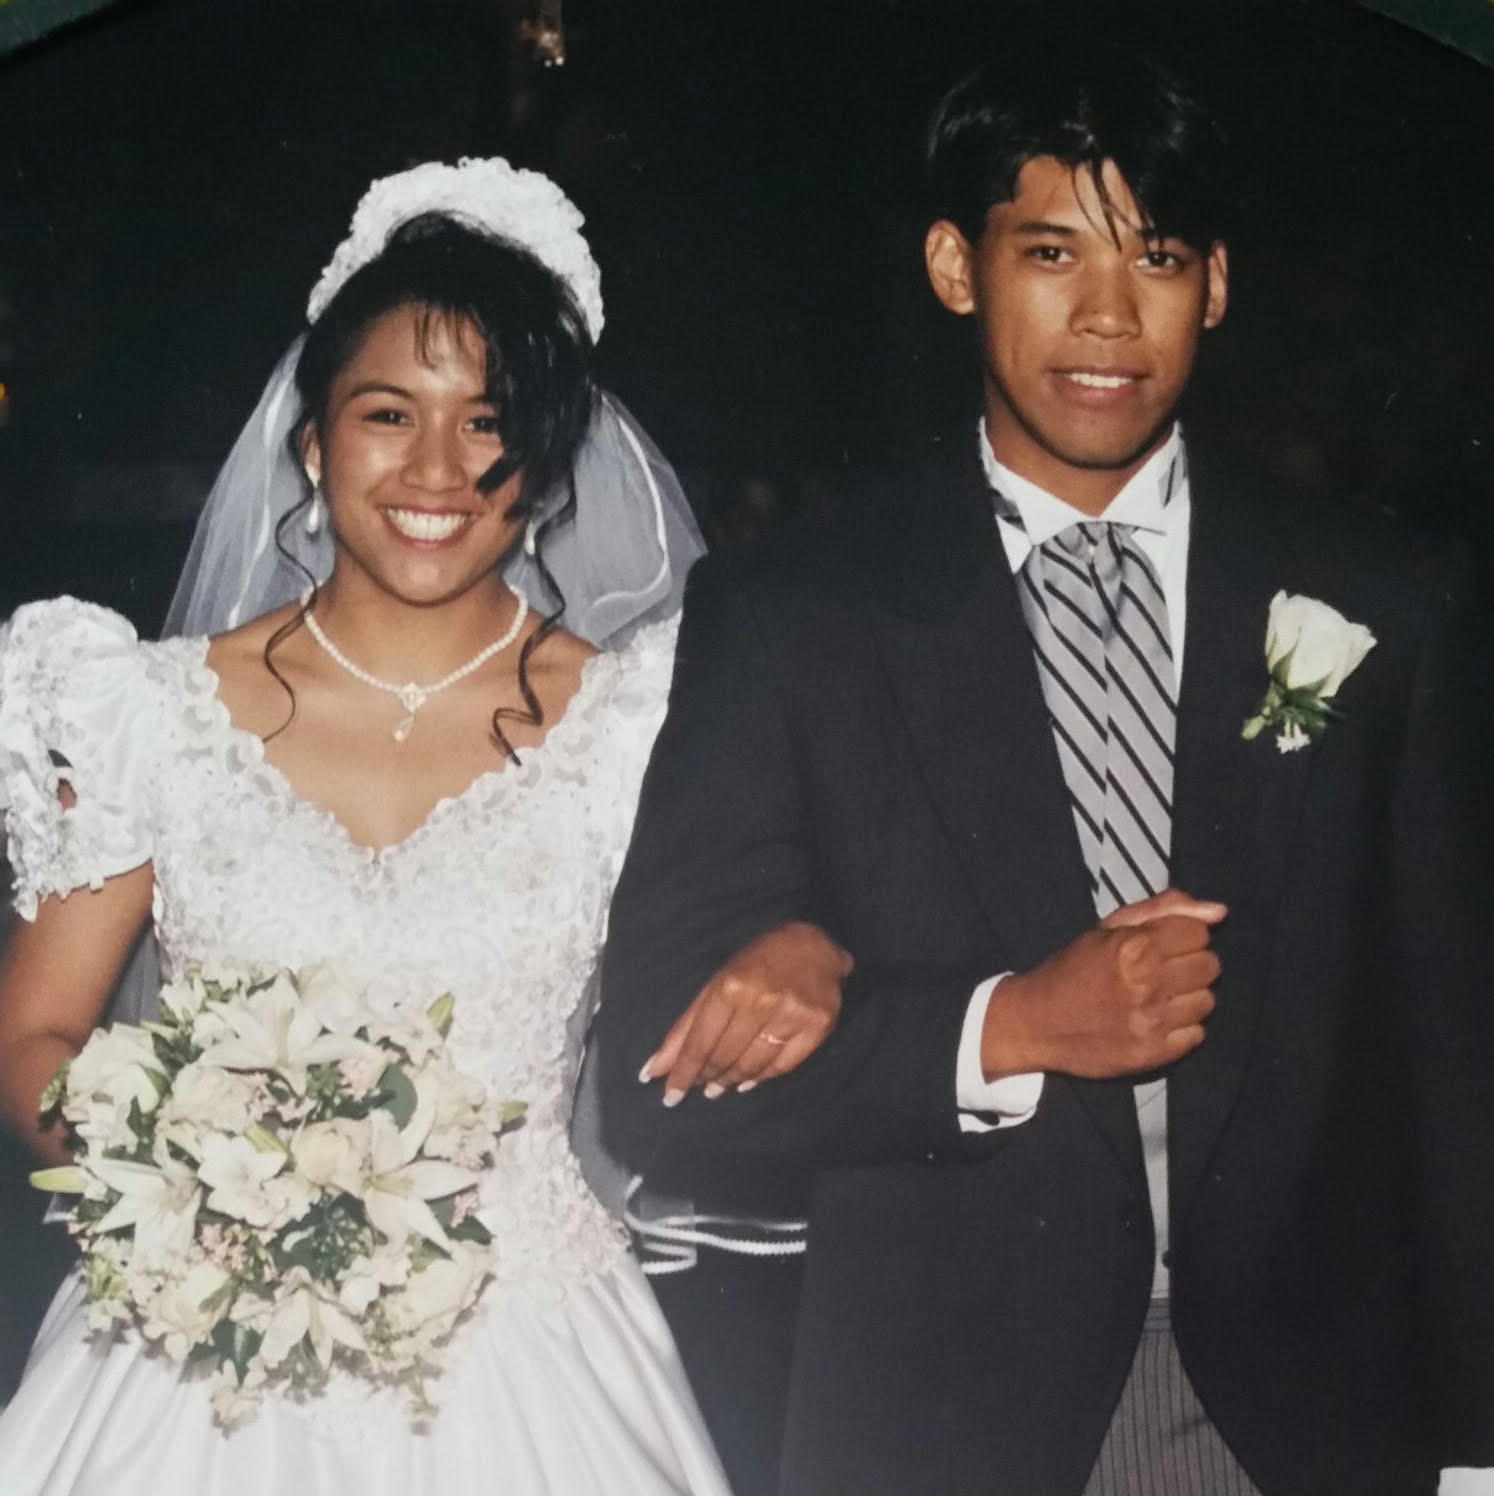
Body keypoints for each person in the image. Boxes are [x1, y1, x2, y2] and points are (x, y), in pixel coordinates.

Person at [594, 31, 1494, 1496]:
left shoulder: (1387, 600)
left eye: (1157, 257)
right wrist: (999, 1028)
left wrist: (1478, 1447)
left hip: (1315, 1418)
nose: (1107, 316)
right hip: (948, 1418)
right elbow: (659, 1086)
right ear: (957, 266)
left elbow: (1460, 1061)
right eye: (1052, 252)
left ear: (1215, 285)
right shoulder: (793, 616)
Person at [0, 157, 801, 1494]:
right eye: (387, 413)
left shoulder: (641, 724)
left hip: (531, 1356)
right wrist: (195, 1194)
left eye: (489, 422)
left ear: (545, 462)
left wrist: (802, 947)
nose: (437, 468)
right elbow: (34, 1033)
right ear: (313, 443)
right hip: (194, 1357)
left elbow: (750, 956)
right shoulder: (141, 708)